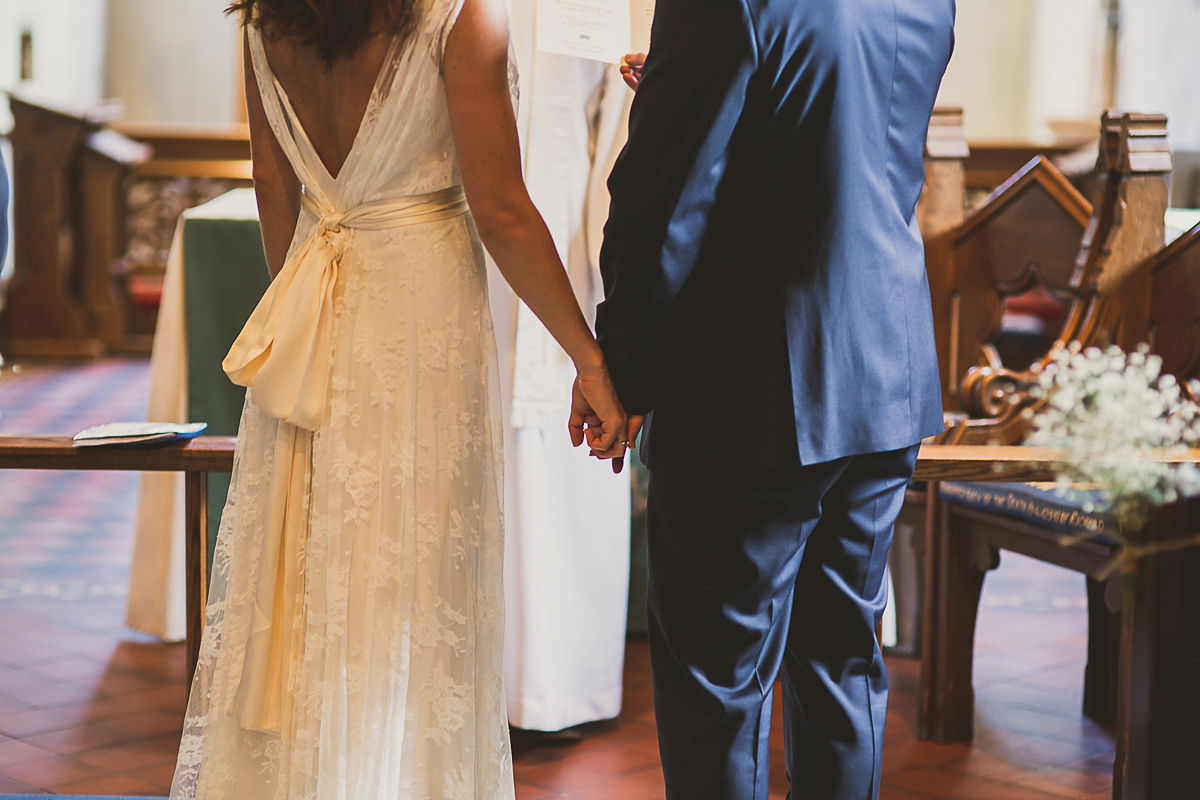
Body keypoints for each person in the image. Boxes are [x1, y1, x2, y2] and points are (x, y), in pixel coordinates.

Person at [170, 0, 626, 797]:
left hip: (311, 302)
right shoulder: (459, 16)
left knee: (308, 569)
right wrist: (587, 356)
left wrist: (299, 307)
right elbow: (504, 210)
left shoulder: (264, 18)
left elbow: (272, 180)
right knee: (405, 581)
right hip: (420, 317)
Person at [589, 1, 956, 798]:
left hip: (752, 387)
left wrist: (623, 367)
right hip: (885, 372)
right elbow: (840, 126)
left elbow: (663, 208)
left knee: (719, 689)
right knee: (844, 670)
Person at [491, 2, 633, 735]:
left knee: (556, 463)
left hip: (567, 240)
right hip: (466, 232)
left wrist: (614, 278)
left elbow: (620, 122)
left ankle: (552, 685)